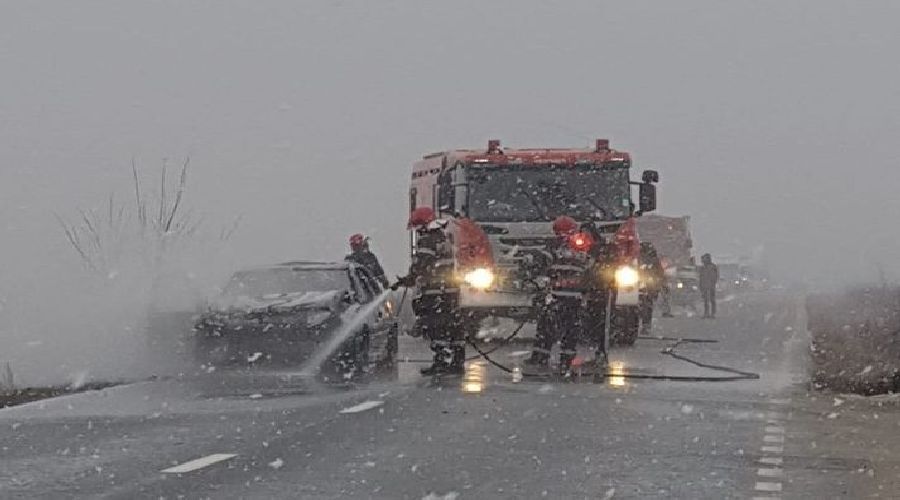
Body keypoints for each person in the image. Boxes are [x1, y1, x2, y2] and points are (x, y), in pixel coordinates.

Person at [393, 207, 467, 376]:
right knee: (453, 326)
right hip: (450, 292)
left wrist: (406, 280)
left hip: (435, 293)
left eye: (418, 227)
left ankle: (441, 360)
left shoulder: (427, 241)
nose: (417, 232)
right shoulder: (443, 237)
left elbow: (421, 265)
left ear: (424, 225)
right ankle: (457, 361)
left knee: (436, 326)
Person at [526, 216, 591, 377]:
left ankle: (541, 357)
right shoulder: (581, 248)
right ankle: (566, 361)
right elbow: (589, 271)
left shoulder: (553, 248)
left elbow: (541, 265)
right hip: (574, 299)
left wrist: (535, 276)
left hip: (555, 297)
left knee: (547, 328)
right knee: (571, 331)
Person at [638, 242, 666, 333]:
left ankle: (645, 326)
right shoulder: (639, 259)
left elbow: (660, 274)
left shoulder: (653, 261)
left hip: (649, 287)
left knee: (646, 307)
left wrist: (658, 283)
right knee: (645, 307)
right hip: (641, 285)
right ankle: (645, 325)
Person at [699, 253, 719, 318]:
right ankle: (706, 313)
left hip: (711, 286)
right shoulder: (702, 268)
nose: (703, 261)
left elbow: (716, 276)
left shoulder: (713, 267)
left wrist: (713, 283)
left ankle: (713, 313)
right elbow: (701, 277)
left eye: (704, 259)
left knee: (712, 300)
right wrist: (701, 286)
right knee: (706, 300)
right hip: (704, 286)